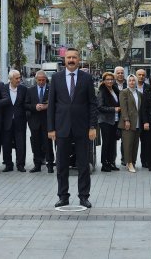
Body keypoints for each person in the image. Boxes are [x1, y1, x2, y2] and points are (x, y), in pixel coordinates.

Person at [48, 48, 98, 209]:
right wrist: (51, 128)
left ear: (78, 59)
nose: (71, 60)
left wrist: (92, 126)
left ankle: (84, 196)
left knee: (84, 164)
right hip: (61, 128)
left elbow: (92, 104)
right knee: (62, 165)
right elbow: (51, 106)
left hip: (82, 128)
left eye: (74, 57)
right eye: (68, 57)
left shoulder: (87, 78)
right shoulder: (56, 78)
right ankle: (63, 196)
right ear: (64, 59)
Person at [25, 70, 54, 173]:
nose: (41, 82)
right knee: (36, 143)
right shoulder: (30, 90)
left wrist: (47, 106)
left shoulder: (51, 89)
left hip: (47, 121)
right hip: (35, 121)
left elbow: (56, 103)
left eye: (43, 80)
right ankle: (37, 164)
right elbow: (26, 105)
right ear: (36, 80)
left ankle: (50, 164)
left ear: (46, 79)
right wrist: (35, 107)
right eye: (39, 80)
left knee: (48, 143)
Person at [1, 70, 28, 172]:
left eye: (19, 78)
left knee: (20, 144)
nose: (19, 80)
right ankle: (8, 164)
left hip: (20, 121)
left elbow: (26, 103)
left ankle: (20, 164)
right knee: (6, 143)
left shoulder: (24, 89)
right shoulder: (3, 88)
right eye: (16, 78)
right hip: (7, 121)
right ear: (11, 79)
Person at [97, 72, 121, 172]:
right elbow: (100, 107)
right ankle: (104, 164)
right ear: (104, 81)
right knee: (106, 143)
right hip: (105, 121)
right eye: (107, 79)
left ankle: (111, 162)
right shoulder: (101, 91)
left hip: (115, 120)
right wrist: (114, 109)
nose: (110, 81)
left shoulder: (115, 90)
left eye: (111, 79)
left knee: (113, 143)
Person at [118, 74, 142, 173]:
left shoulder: (139, 93)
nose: (132, 82)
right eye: (130, 80)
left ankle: (133, 161)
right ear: (127, 82)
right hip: (128, 122)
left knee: (135, 144)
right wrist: (126, 120)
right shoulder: (124, 92)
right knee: (128, 144)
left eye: (133, 80)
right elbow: (123, 108)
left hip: (137, 122)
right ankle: (129, 163)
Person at [113, 66, 127, 167]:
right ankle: (112, 160)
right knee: (113, 140)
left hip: (125, 116)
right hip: (113, 116)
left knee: (125, 139)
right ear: (115, 74)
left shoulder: (129, 84)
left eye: (122, 73)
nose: (120, 74)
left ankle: (124, 159)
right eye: (118, 73)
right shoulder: (110, 84)